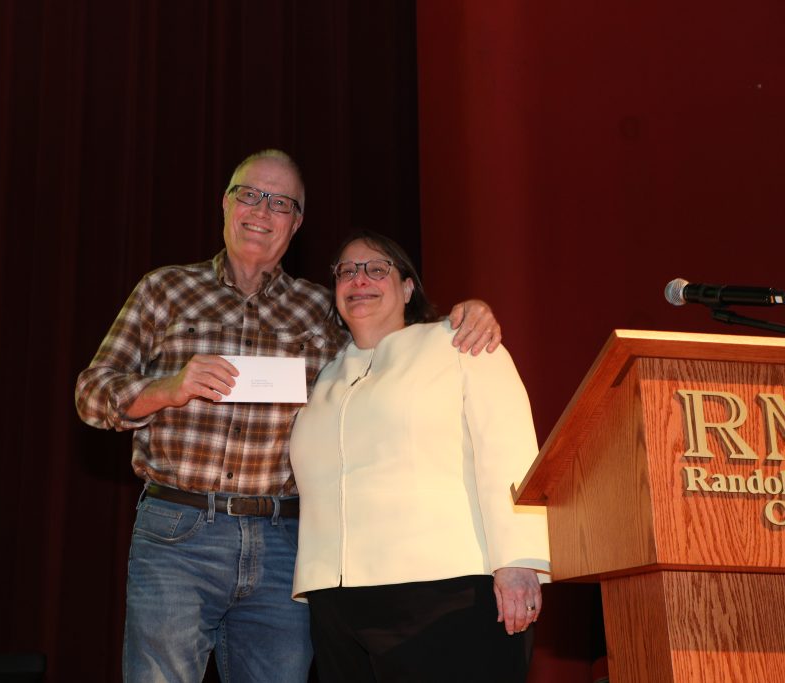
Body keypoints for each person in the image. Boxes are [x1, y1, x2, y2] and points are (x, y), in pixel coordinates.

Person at [74, 150, 502, 683]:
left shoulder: (323, 309)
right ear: (225, 203)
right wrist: (168, 388)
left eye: (281, 203)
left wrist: (468, 312)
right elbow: (91, 395)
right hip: (177, 533)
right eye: (249, 194)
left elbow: (392, 345)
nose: (262, 210)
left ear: (296, 222)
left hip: (285, 541)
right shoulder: (163, 289)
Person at [290, 229, 550, 683]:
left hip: (444, 595)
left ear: (408, 287)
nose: (360, 279)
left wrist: (520, 562)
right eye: (346, 272)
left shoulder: (461, 343)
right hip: (336, 604)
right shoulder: (323, 375)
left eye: (377, 268)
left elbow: (510, 452)